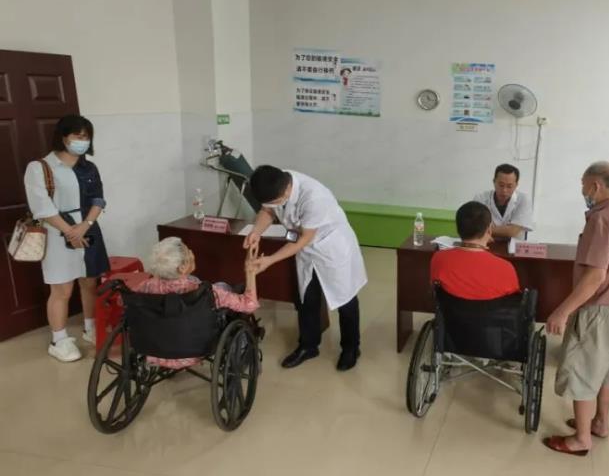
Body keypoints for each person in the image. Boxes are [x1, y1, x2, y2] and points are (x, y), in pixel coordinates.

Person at [542, 162, 609, 457]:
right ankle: (600, 422)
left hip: (599, 311)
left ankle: (581, 439)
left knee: (583, 372)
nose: (582, 191)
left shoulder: (602, 219)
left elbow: (595, 276)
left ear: (596, 186)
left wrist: (562, 311)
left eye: (583, 185)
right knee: (607, 370)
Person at [244, 165, 367, 371]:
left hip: (331, 248)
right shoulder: (275, 182)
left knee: (345, 299)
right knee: (306, 299)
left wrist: (270, 260)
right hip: (306, 251)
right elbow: (267, 211)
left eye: (275, 201)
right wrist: (256, 231)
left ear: (286, 191)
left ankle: (351, 348)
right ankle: (308, 346)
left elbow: (302, 239)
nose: (272, 205)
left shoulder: (314, 197)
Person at [23, 115, 111, 362]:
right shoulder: (40, 168)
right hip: (57, 232)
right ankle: (58, 340)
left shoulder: (89, 167)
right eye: (77, 136)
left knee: (89, 282)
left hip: (88, 230)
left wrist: (86, 225)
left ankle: (90, 327)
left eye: (86, 137)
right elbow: (42, 207)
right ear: (63, 137)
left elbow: (98, 199)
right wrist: (70, 231)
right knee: (61, 288)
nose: (82, 141)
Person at [137, 237, 260, 369]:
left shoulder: (146, 286)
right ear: (182, 267)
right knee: (223, 287)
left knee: (201, 281)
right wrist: (250, 272)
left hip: (154, 351)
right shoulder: (204, 292)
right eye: (187, 251)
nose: (191, 252)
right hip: (191, 352)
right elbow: (250, 305)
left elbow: (128, 305)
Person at [430, 201, 520, 300]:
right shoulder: (506, 268)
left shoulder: (439, 259)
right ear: (489, 230)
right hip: (491, 310)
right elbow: (512, 302)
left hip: (451, 310)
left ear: (458, 229)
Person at [473, 164, 535, 240]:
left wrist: (484, 230)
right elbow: (474, 227)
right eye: (501, 185)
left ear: (516, 185)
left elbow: (512, 232)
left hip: (514, 246)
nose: (504, 190)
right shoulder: (480, 198)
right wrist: (506, 229)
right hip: (486, 244)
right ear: (494, 182)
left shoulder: (524, 199)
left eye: (509, 186)